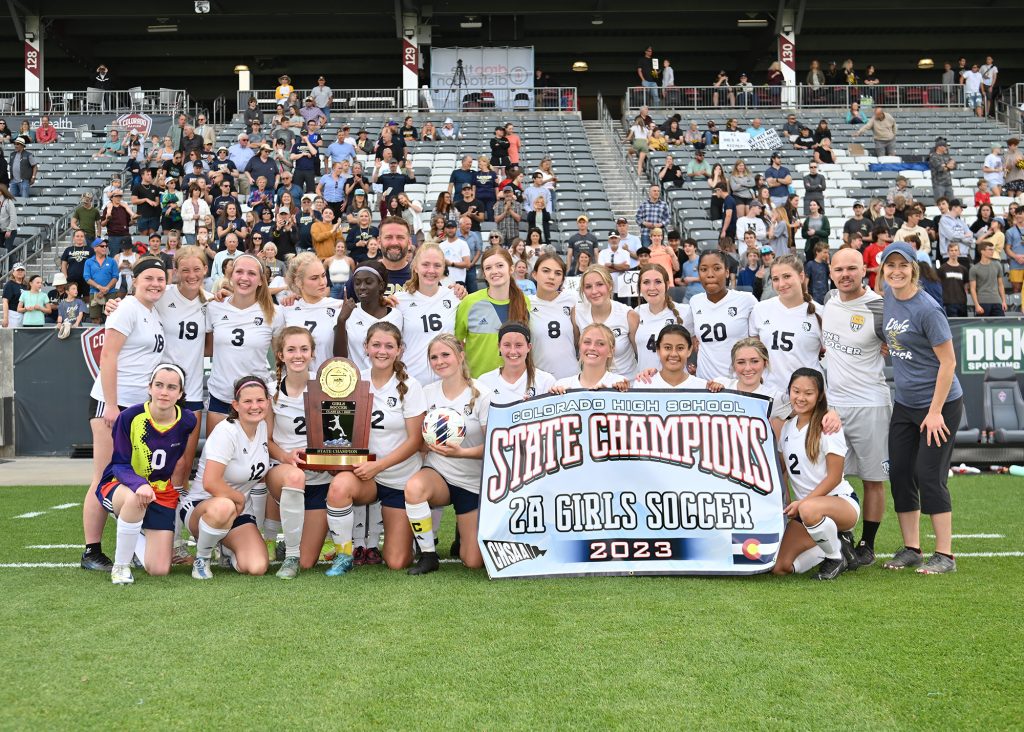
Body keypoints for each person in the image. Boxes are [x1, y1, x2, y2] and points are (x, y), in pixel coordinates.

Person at [879, 242, 964, 574]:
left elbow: (949, 362)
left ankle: (945, 555)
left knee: (929, 474)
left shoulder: (927, 308)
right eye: (890, 265)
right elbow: (896, 337)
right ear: (883, 270)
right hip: (905, 403)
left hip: (938, 405)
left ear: (914, 268)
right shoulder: (887, 298)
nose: (896, 271)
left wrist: (934, 412)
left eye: (903, 265)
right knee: (900, 472)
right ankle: (912, 548)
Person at [81, 259, 168, 571]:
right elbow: (108, 354)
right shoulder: (128, 308)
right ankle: (91, 551)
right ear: (135, 280)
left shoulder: (152, 313)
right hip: (114, 406)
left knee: (129, 477)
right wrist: (113, 405)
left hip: (136, 409)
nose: (155, 283)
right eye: (149, 278)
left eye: (160, 278)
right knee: (103, 476)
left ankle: (129, 543)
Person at [321, 322, 426, 574]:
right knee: (339, 487)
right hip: (364, 476)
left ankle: (409, 537)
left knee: (397, 561)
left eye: (389, 346)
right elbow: (338, 428)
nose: (382, 351)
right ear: (365, 347)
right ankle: (344, 554)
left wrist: (378, 465)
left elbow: (415, 441)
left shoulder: (411, 386)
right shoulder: (352, 381)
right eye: (376, 345)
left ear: (399, 350)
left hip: (399, 479)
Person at [97, 364, 197, 584]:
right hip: (122, 484)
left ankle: (135, 533)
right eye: (159, 385)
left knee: (160, 569)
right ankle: (121, 566)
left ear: (180, 393)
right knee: (135, 499)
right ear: (149, 387)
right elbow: (120, 464)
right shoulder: (130, 417)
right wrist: (138, 483)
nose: (164, 392)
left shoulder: (187, 420)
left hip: (161, 489)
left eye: (172, 387)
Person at [403, 335, 489, 575]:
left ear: (460, 356)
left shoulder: (482, 393)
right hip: (438, 473)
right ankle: (428, 554)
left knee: (472, 561)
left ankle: (464, 533)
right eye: (434, 357)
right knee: (414, 488)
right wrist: (425, 444)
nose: (440, 361)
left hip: (472, 482)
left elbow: (494, 445)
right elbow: (417, 441)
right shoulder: (426, 393)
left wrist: (462, 452)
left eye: (445, 355)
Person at [771, 368, 860, 580]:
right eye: (796, 391)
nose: (801, 398)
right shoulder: (787, 427)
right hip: (807, 511)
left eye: (808, 393)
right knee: (780, 567)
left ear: (819, 395)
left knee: (810, 508)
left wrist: (803, 504)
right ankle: (838, 545)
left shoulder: (827, 426)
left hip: (839, 502)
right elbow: (781, 469)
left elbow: (835, 477)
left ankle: (835, 557)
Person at [184, 376, 273, 580]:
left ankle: (226, 546)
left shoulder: (261, 427)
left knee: (256, 566)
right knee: (224, 507)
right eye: (247, 401)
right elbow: (211, 483)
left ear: (268, 401)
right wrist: (239, 498)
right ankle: (202, 558)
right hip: (204, 505)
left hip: (238, 510)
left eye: (260, 400)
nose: (255, 406)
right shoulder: (226, 431)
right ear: (236, 404)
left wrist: (288, 457)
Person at [204, 254, 284, 438]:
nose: (244, 278)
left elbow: (280, 358)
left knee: (255, 460)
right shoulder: (214, 308)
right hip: (221, 396)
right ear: (230, 276)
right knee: (217, 460)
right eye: (239, 272)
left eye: (251, 273)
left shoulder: (275, 313)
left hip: (256, 400)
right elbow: (207, 349)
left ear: (261, 281)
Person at [749, 254, 823, 396]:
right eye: (775, 279)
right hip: (769, 393)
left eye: (787, 276)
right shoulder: (761, 309)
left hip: (807, 395)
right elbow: (755, 351)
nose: (781, 284)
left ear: (801, 277)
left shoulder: (820, 312)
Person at [456, 246, 531, 377]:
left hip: (516, 383)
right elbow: (457, 342)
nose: (494, 271)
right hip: (478, 383)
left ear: (511, 269)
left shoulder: (525, 302)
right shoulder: (469, 302)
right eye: (488, 268)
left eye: (500, 265)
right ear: (484, 274)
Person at [682, 251, 756, 380]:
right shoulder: (695, 301)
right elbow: (689, 335)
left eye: (717, 268)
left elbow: (760, 339)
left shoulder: (746, 300)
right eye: (704, 269)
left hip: (738, 383)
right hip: (705, 384)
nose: (710, 274)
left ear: (727, 272)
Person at [396, 244, 461, 385]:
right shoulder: (399, 300)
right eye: (425, 264)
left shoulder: (455, 297)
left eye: (437, 265)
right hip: (410, 381)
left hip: (446, 383)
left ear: (443, 268)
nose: (431, 270)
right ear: (415, 267)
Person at [572, 266, 639, 380]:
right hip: (591, 385)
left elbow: (640, 354)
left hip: (625, 385)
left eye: (599, 284)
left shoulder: (628, 315)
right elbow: (575, 349)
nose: (594, 291)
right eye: (588, 287)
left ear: (610, 285)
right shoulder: (577, 313)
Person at [337, 260, 404, 373]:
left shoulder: (396, 315)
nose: (362, 287)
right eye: (357, 283)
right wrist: (341, 321)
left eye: (368, 282)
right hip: (356, 383)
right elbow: (339, 357)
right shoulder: (347, 313)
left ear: (381, 286)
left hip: (388, 382)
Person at [478, 320, 558, 403]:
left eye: (518, 345)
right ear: (499, 347)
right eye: (507, 345)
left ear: (528, 347)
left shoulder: (546, 381)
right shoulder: (484, 382)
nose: (513, 351)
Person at [633, 264, 686, 374]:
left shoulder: (685, 312)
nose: (652, 287)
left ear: (667, 285)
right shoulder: (636, 313)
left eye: (658, 282)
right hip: (645, 384)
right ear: (639, 287)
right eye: (646, 282)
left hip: (675, 386)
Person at [550, 323, 629, 392]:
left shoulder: (618, 383)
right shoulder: (562, 385)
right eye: (587, 342)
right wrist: (555, 398)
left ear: (611, 351)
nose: (592, 348)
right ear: (580, 347)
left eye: (600, 343)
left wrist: (615, 394)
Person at [969, 240, 1006, 316]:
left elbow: (1001, 285)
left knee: (1001, 326)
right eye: (990, 249)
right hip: (982, 302)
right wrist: (977, 305)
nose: (992, 251)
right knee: (982, 327)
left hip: (997, 301)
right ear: (982, 251)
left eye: (993, 249)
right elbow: (972, 289)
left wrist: (1004, 301)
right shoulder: (974, 269)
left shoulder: (997, 265)